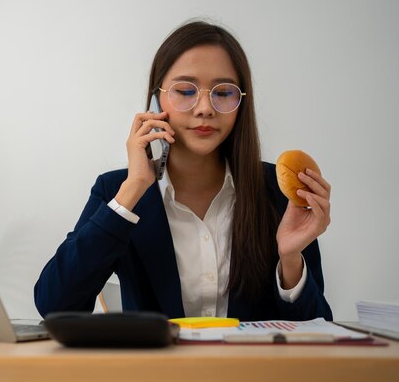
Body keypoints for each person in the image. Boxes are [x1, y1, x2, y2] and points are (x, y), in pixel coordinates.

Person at [34, 20, 332, 321]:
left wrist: (290, 259)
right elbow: (55, 305)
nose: (205, 107)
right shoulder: (117, 191)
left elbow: (319, 330)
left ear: (242, 102)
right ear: (156, 99)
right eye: (186, 90)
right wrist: (134, 186)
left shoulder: (275, 191)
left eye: (224, 92)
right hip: (160, 369)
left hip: (250, 368)